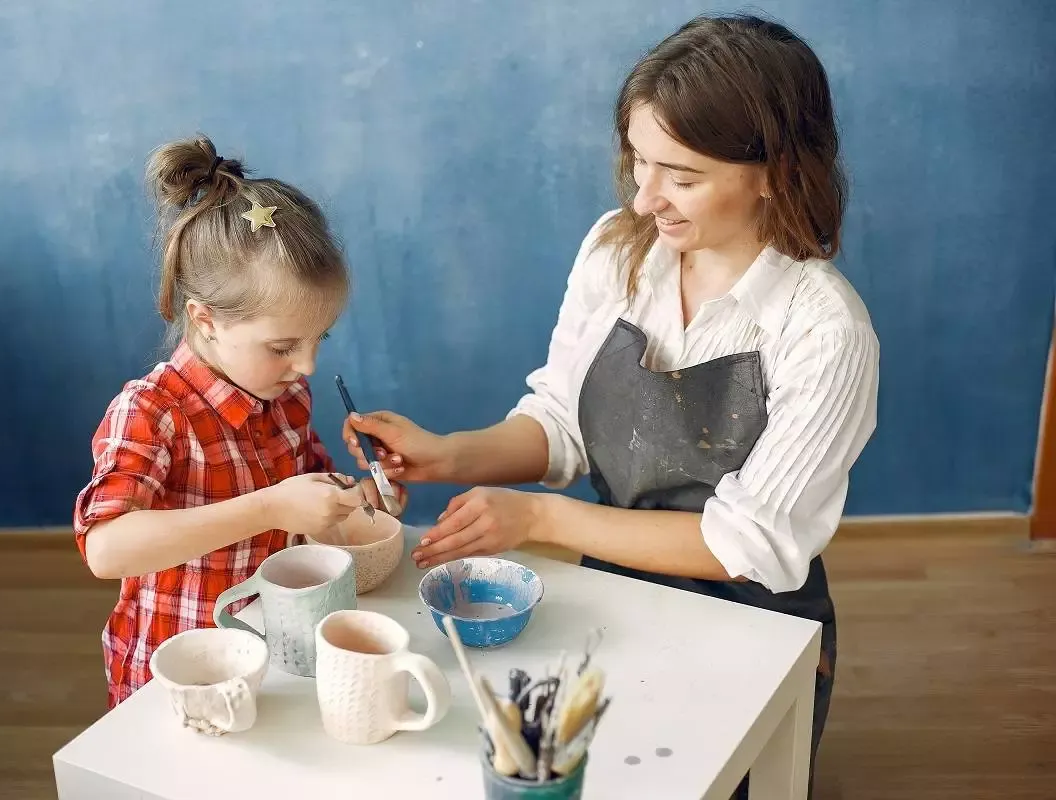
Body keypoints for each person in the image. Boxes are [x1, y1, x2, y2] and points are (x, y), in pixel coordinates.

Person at [343, 13, 877, 797]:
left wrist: (540, 520)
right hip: (612, 588)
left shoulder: (826, 331)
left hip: (758, 625)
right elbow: (564, 422)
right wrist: (450, 453)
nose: (643, 197)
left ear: (777, 171)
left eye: (682, 176)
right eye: (639, 162)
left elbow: (747, 545)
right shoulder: (616, 251)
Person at [73, 135, 404, 708]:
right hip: (179, 672)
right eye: (282, 346)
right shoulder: (153, 413)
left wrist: (357, 501)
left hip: (274, 653)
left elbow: (311, 504)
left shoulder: (286, 395)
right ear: (205, 320)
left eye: (317, 340)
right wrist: (272, 506)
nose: (305, 366)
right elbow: (106, 550)